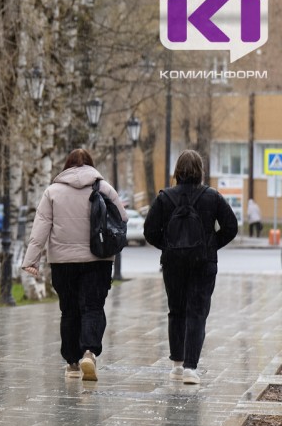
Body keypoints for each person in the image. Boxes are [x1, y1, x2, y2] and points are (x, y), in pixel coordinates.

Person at [21, 148, 127, 382]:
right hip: (97, 259)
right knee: (93, 307)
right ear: (91, 164)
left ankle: (71, 363)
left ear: (67, 166)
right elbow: (122, 218)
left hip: (63, 262)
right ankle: (89, 352)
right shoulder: (104, 188)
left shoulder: (52, 191)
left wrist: (31, 261)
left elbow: (40, 228)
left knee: (68, 310)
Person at [143, 149, 238, 385]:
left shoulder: (165, 197)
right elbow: (231, 226)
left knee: (176, 310)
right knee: (197, 311)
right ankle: (190, 368)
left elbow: (149, 231)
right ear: (200, 172)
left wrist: (168, 246)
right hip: (203, 263)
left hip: (173, 263)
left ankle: (177, 364)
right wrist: (211, 244)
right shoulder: (212, 197)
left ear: (177, 171)